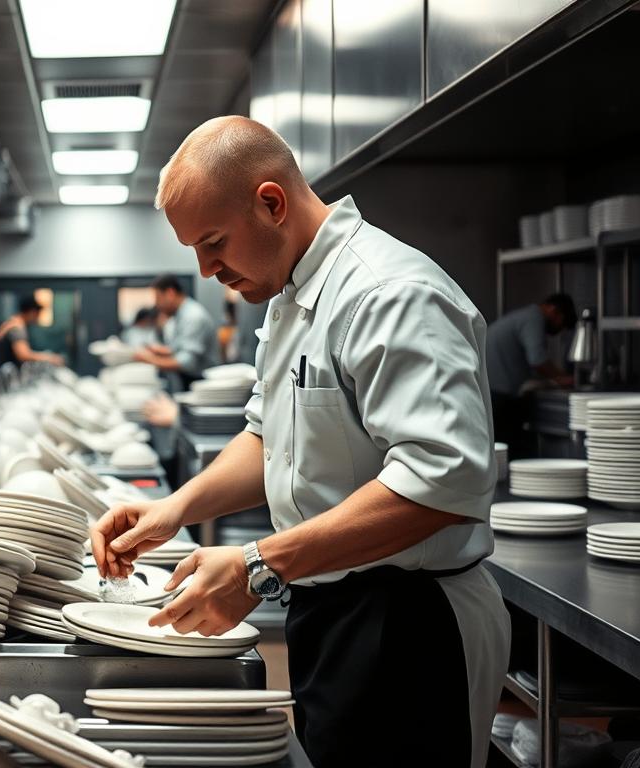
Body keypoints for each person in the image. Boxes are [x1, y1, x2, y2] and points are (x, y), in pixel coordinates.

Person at [90, 116, 508, 768]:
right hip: (331, 608)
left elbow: (441, 486)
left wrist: (260, 565)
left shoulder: (389, 292)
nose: (205, 271)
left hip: (410, 623)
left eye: (214, 243)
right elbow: (270, 436)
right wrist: (176, 509)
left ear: (271, 203)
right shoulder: (289, 300)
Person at [485, 293, 577, 449]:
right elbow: (538, 360)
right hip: (498, 395)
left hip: (491, 390)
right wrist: (562, 378)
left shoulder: (525, 316)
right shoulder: (534, 318)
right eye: (561, 322)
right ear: (553, 310)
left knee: (500, 446)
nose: (559, 328)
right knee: (508, 446)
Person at [134, 274, 220, 387]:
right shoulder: (180, 316)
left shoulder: (193, 316)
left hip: (203, 383)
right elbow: (179, 348)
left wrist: (149, 359)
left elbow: (187, 363)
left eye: (158, 298)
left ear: (170, 293)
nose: (156, 304)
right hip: (192, 380)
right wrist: (158, 351)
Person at [0, 296, 64, 368]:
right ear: (31, 312)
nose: (38, 317)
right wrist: (49, 358)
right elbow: (23, 354)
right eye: (37, 313)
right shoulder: (17, 327)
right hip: (4, 372)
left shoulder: (12, 322)